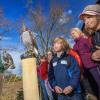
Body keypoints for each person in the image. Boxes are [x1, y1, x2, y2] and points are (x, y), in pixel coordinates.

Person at [70, 27, 100, 100]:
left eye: (74, 33)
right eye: (71, 34)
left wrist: (93, 55)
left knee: (98, 82)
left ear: (79, 32)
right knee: (92, 85)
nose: (72, 35)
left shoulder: (84, 40)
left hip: (93, 65)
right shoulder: (74, 46)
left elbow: (92, 48)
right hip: (84, 68)